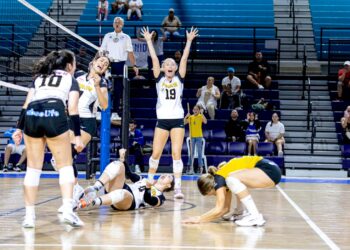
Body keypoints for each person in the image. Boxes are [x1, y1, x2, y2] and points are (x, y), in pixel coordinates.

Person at [12, 50, 84, 228]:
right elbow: (73, 108)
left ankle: (29, 217)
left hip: (33, 114)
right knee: (65, 167)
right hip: (54, 111)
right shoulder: (70, 79)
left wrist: (18, 128)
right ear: (69, 66)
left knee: (32, 169)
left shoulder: (39, 78)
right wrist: (77, 136)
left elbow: (26, 104)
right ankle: (68, 210)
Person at [141, 26, 199, 199]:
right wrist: (149, 41)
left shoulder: (179, 78)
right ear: (163, 67)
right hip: (162, 120)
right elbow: (153, 58)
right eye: (167, 64)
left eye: (172, 64)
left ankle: (178, 188)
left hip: (177, 120)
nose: (170, 66)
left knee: (176, 154)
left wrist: (188, 41)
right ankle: (149, 182)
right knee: (156, 154)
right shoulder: (159, 77)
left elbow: (184, 59)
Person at [52, 53, 110, 211]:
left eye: (106, 64)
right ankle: (76, 188)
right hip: (70, 119)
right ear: (94, 61)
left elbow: (104, 105)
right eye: (101, 61)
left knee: (68, 156)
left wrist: (97, 86)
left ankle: (71, 197)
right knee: (58, 160)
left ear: (105, 70)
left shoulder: (103, 82)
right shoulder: (77, 76)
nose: (103, 64)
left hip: (87, 122)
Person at [182, 156, 281, 226]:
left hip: (268, 170)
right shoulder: (223, 179)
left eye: (211, 194)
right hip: (270, 170)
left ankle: (255, 216)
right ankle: (240, 212)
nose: (215, 195)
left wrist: (199, 219)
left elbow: (219, 209)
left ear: (210, 188)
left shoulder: (219, 178)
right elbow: (226, 209)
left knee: (232, 179)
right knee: (233, 181)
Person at [78, 149, 174, 211]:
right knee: (118, 164)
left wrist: (149, 187)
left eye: (169, 176)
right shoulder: (144, 180)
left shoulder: (160, 197)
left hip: (129, 201)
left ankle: (92, 202)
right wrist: (122, 158)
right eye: (165, 174)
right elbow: (130, 174)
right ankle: (96, 187)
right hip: (123, 188)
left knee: (123, 192)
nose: (165, 175)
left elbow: (150, 200)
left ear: (169, 185)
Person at [99, 17, 139, 114]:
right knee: (104, 86)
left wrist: (134, 65)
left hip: (120, 64)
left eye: (119, 22)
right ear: (113, 24)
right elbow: (101, 51)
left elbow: (130, 52)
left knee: (118, 88)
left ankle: (115, 111)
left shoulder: (126, 37)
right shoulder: (107, 36)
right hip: (108, 64)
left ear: (123, 25)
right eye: (115, 22)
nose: (117, 24)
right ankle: (103, 108)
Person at [184, 105, 207, 174]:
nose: (195, 111)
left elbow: (205, 122)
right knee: (192, 153)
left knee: (199, 152)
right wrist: (186, 116)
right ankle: (190, 167)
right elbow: (183, 123)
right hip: (192, 137)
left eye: (197, 109)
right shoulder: (191, 117)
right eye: (194, 109)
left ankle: (200, 167)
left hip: (199, 136)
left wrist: (202, 114)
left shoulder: (200, 116)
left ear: (199, 110)